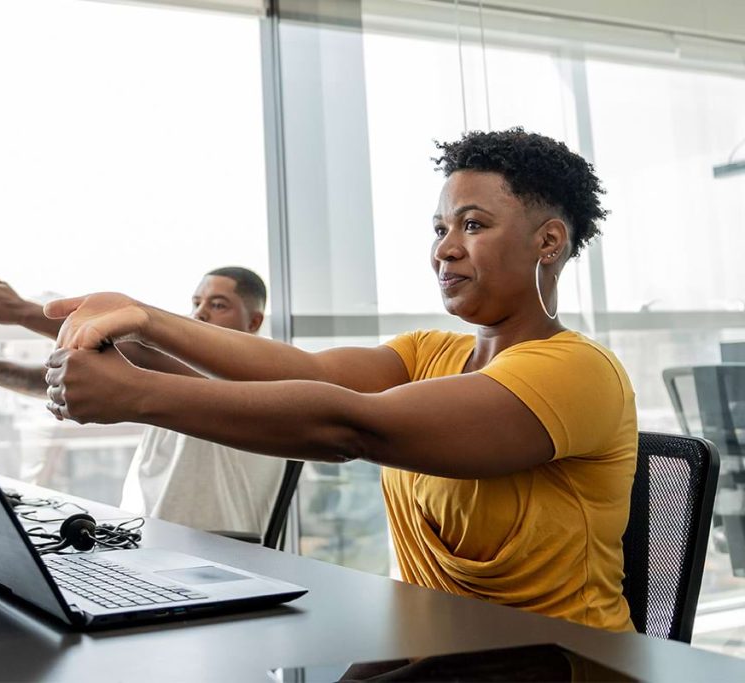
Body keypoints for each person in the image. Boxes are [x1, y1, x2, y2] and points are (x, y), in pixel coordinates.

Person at [41, 128, 638, 632]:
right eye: (439, 229)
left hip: (561, 662)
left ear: (549, 242)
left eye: (473, 225)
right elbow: (308, 372)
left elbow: (349, 426)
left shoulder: (578, 372)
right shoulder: (430, 353)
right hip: (436, 651)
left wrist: (138, 396)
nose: (445, 250)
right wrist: (144, 317)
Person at [0, 267, 285, 535]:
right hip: (147, 539)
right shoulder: (180, 377)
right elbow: (63, 378)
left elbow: (139, 350)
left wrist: (22, 311)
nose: (200, 313)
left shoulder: (261, 380)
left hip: (217, 554)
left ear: (254, 322)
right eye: (196, 302)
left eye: (218, 305)